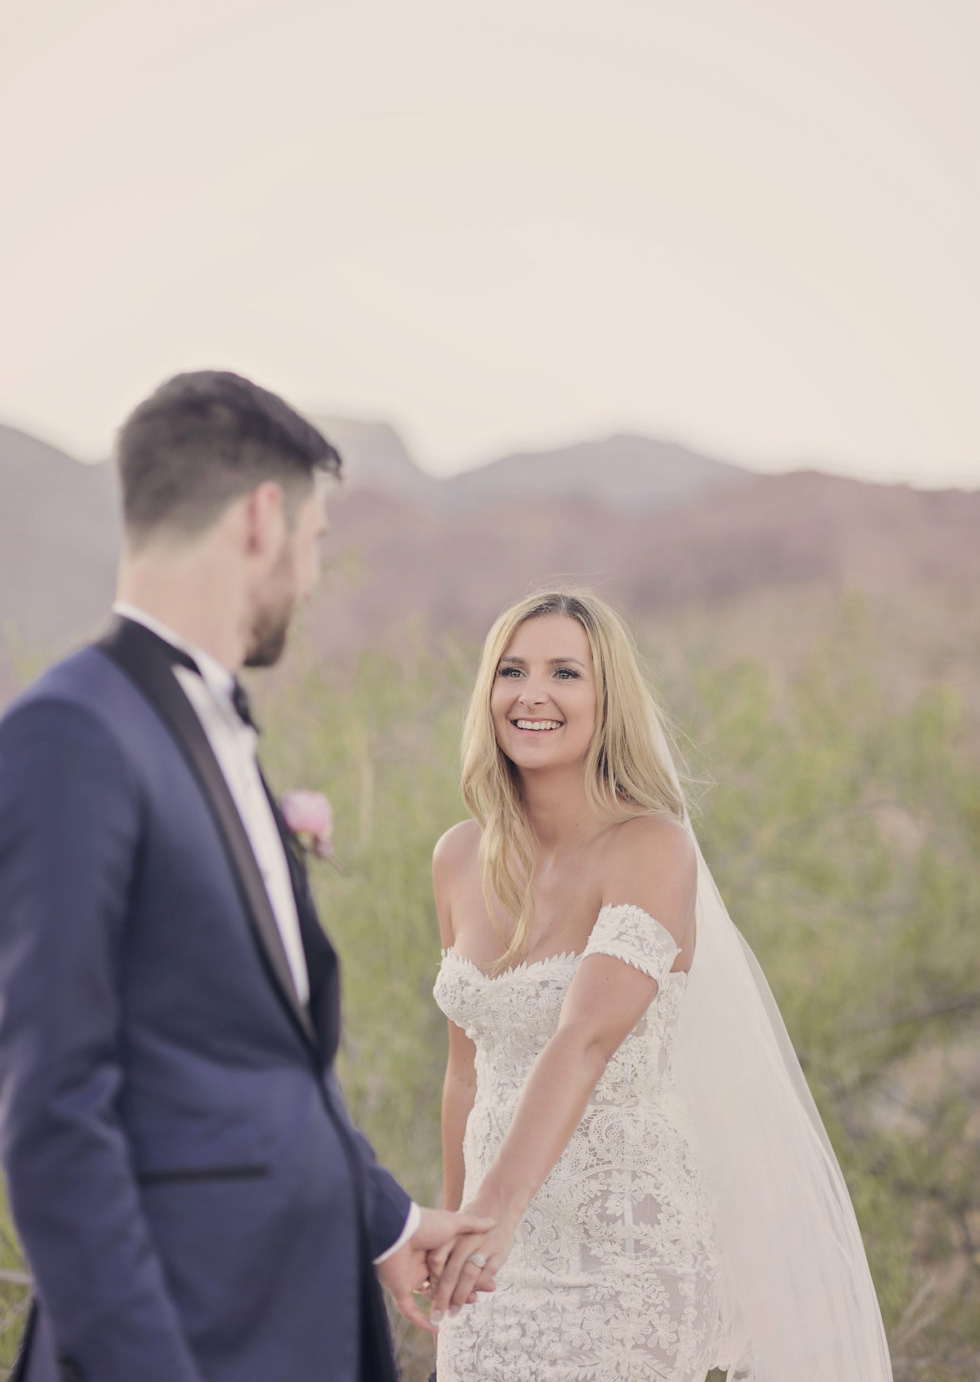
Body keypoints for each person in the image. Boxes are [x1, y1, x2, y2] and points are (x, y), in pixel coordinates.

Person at [0, 371, 491, 1382]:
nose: (311, 579)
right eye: (315, 542)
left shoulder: (208, 734)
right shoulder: (71, 734)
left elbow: (247, 1056)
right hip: (182, 1337)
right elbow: (53, 1115)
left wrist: (386, 1219)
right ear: (263, 518)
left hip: (297, 1321)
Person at [428, 589, 894, 1381]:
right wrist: (452, 1228)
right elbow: (466, 1069)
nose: (532, 693)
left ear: (606, 700)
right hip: (491, 1260)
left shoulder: (651, 848)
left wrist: (491, 1212)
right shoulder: (458, 857)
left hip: (625, 1251)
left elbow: (585, 1039)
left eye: (565, 672)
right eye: (512, 670)